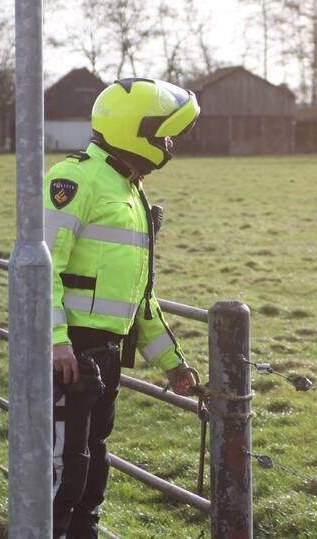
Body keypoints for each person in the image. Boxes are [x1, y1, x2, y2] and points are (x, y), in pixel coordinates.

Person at [44, 77, 201, 538]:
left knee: (93, 463)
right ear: (137, 131)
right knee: (64, 471)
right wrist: (57, 343)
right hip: (69, 354)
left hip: (105, 356)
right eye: (163, 134)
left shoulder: (131, 191)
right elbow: (42, 273)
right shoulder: (75, 179)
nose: (169, 145)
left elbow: (140, 296)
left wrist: (173, 364)